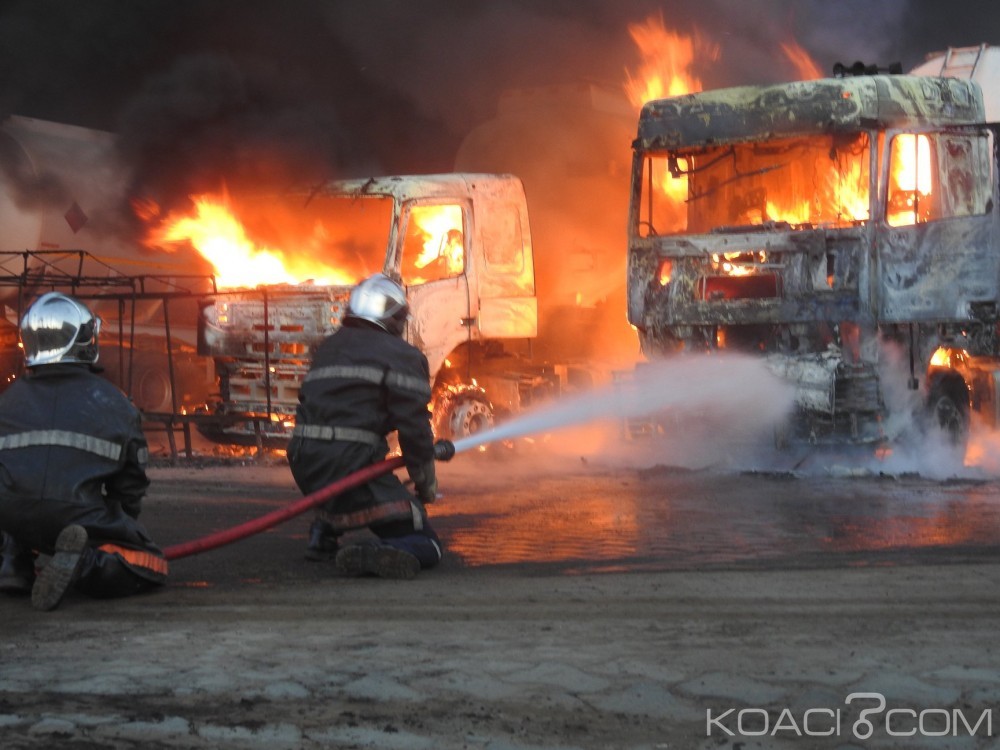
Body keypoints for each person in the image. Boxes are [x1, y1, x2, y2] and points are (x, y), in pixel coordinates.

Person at [0, 292, 168, 611]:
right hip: (79, 516)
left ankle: (12, 564)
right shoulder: (115, 404)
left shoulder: (6, 401)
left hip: (11, 514)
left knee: (14, 501)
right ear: (83, 341)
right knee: (150, 562)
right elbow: (130, 485)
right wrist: (120, 526)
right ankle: (87, 564)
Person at [288, 273, 443, 579]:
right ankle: (381, 552)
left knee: (343, 489)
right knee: (427, 542)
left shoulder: (328, 347)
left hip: (304, 462)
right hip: (350, 465)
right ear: (393, 318)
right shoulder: (403, 356)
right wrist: (426, 485)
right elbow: (414, 431)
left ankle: (324, 531)